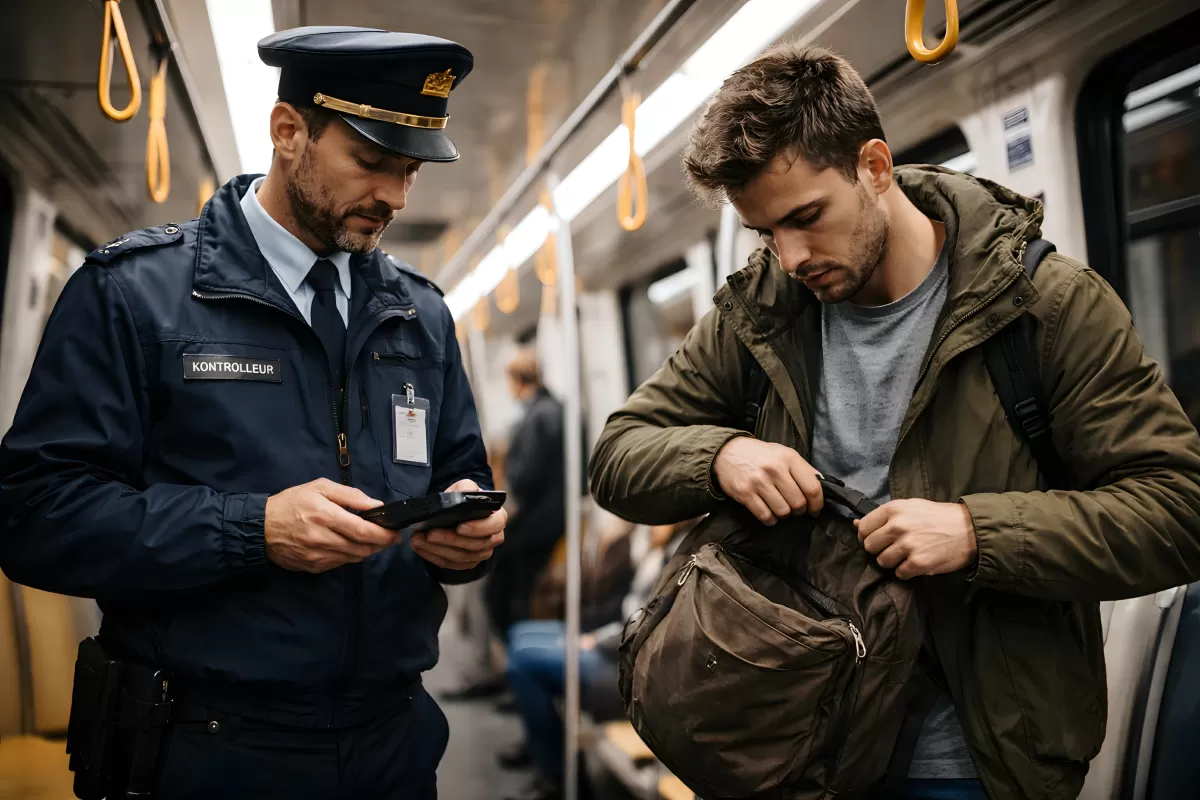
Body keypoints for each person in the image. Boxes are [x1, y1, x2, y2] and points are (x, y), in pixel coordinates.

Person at [588, 43, 1200, 800]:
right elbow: (617, 455)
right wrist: (720, 457)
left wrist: (975, 532)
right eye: (766, 234)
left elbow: (1178, 511)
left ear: (874, 167)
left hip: (967, 754)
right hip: (793, 735)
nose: (791, 256)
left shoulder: (1045, 308)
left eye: (807, 217)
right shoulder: (762, 314)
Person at [0, 27, 504, 799]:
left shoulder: (421, 316)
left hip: (392, 744)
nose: (397, 197)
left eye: (410, 171)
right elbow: (36, 516)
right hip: (206, 745)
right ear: (288, 131)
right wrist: (253, 529)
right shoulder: (134, 294)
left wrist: (466, 539)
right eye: (372, 162)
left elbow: (457, 472)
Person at [502, 521, 692, 800]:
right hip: (617, 639)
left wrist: (600, 640)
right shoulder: (655, 544)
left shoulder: (685, 553)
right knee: (519, 634)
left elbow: (652, 623)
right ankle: (547, 747)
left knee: (524, 659)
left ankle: (557, 774)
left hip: (628, 665)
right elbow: (630, 607)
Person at [485, 348, 567, 639]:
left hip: (537, 523)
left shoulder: (536, 417)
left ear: (518, 381)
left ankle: (518, 645)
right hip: (556, 516)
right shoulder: (558, 409)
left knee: (507, 583)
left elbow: (524, 476)